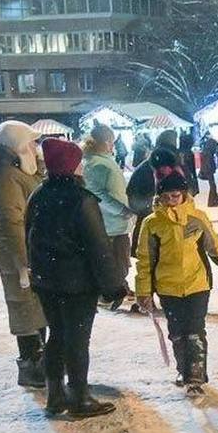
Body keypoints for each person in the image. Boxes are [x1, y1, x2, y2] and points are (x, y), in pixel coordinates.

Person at [25, 137, 127, 418]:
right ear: (71, 165)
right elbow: (99, 248)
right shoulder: (81, 200)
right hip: (77, 285)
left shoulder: (38, 196)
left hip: (47, 282)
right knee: (78, 340)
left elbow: (29, 238)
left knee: (57, 336)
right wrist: (114, 286)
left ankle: (55, 395)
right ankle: (80, 397)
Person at [135, 170, 218, 394]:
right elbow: (145, 261)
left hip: (197, 284)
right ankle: (183, 369)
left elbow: (214, 245)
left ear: (184, 195)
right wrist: (144, 291)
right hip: (168, 288)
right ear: (160, 197)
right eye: (167, 197)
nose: (172, 200)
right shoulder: (151, 224)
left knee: (195, 331)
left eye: (177, 196)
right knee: (178, 332)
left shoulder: (196, 218)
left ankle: (195, 377)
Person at [0, 120, 48, 388]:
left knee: (35, 310)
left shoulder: (17, 170)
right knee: (27, 311)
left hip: (31, 254)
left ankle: (39, 365)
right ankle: (32, 367)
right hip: (21, 258)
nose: (35, 147)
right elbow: (10, 223)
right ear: (19, 145)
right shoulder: (7, 177)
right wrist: (23, 264)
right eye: (31, 142)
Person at [81, 123, 137, 309]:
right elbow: (97, 194)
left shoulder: (97, 161)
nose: (113, 145)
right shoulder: (97, 163)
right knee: (116, 263)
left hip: (113, 222)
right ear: (106, 142)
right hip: (111, 222)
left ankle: (116, 290)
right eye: (112, 142)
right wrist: (122, 209)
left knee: (117, 261)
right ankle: (110, 294)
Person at [199, 133, 218, 207]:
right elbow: (208, 163)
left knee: (213, 186)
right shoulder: (208, 153)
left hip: (208, 170)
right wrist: (210, 170)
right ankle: (212, 201)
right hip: (208, 171)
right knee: (213, 186)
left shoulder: (206, 151)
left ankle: (215, 201)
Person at [176, 130, 199, 196]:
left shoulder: (177, 152)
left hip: (179, 176)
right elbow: (192, 169)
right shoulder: (189, 153)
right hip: (188, 176)